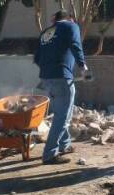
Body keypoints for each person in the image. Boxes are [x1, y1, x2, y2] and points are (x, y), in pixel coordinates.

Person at [34, 10, 88, 165]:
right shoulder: (71, 26)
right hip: (62, 77)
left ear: (54, 19)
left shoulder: (46, 32)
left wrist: (49, 70)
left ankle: (65, 145)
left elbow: (37, 58)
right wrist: (83, 68)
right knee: (62, 117)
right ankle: (49, 154)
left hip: (46, 78)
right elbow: (76, 46)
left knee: (60, 113)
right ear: (69, 19)